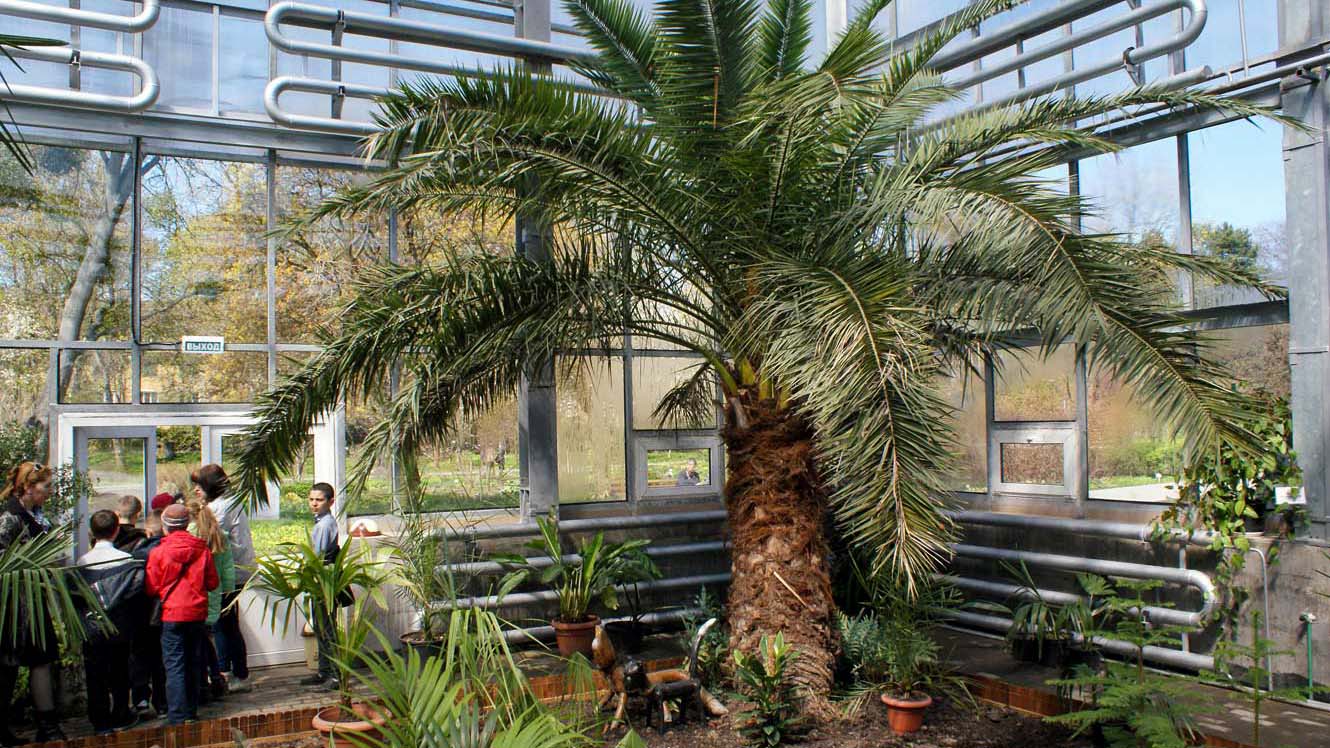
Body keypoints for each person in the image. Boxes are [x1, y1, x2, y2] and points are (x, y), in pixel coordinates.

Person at [0, 462, 65, 744]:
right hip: (13, 603)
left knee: (41, 659)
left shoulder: (36, 515)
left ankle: (48, 727)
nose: (49, 492)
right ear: (28, 487)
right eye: (45, 487)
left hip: (34, 600)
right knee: (8, 665)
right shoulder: (10, 517)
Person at [145, 503, 218, 725]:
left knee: (174, 665)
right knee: (193, 662)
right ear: (187, 524)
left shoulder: (158, 552)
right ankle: (191, 712)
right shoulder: (202, 550)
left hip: (171, 614)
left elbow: (151, 587)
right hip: (196, 613)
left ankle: (177, 715)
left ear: (165, 526)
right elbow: (213, 583)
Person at [78, 510, 144, 735]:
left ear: (92, 532)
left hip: (92, 627)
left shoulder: (83, 562)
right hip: (119, 625)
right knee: (120, 671)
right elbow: (135, 590)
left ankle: (100, 720)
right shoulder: (125, 560)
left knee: (95, 674)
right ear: (116, 531)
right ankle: (121, 713)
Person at [192, 464, 255, 694]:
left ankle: (233, 673)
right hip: (237, 569)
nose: (196, 490)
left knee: (224, 625)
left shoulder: (219, 508)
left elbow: (208, 536)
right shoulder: (231, 502)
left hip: (229, 573)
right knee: (226, 624)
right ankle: (231, 671)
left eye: (199, 486)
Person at [186, 499, 233, 703]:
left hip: (195, 594)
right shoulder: (218, 535)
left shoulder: (189, 536)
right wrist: (228, 591)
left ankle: (204, 684)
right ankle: (215, 677)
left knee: (199, 643)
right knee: (207, 639)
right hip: (214, 593)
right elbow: (227, 568)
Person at [301, 482, 339, 691]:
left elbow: (319, 555)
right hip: (319, 580)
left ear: (330, 502)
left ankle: (334, 675)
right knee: (321, 627)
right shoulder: (320, 522)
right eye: (311, 499)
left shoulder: (325, 525)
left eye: (319, 500)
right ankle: (324, 671)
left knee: (327, 628)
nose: (314, 503)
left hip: (324, 581)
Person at [130, 510, 167, 717]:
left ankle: (141, 699)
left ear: (148, 531)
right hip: (163, 611)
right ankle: (162, 702)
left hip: (141, 612)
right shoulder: (168, 550)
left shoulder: (138, 554)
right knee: (160, 660)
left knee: (140, 657)